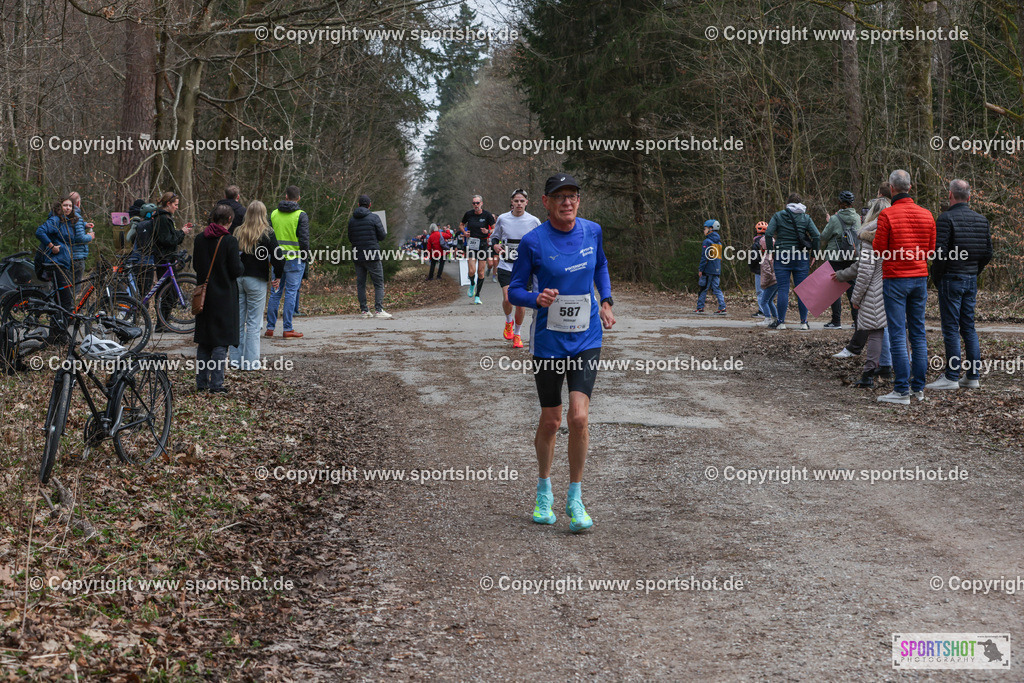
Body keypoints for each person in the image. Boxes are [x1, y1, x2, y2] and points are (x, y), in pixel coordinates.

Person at [508, 173, 615, 533]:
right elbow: (515, 289)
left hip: (587, 337)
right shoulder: (533, 242)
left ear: (579, 201)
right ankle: (543, 491)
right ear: (546, 202)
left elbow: (601, 265)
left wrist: (606, 300)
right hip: (549, 341)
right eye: (560, 197)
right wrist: (535, 298)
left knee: (579, 418)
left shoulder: (593, 231)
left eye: (573, 196)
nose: (567, 202)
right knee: (552, 419)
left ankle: (575, 498)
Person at [874, 169, 935, 404]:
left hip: (895, 278)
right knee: (918, 332)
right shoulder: (927, 215)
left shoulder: (887, 215)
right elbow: (930, 250)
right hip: (919, 277)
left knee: (898, 333)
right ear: (910, 187)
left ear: (892, 189)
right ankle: (918, 388)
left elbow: (879, 250)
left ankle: (901, 390)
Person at [926, 179, 993, 390]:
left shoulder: (945, 218)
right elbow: (987, 253)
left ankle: (951, 376)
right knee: (968, 327)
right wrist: (974, 270)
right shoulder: (982, 220)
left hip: (951, 278)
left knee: (951, 328)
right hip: (970, 277)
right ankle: (972, 375)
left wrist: (936, 277)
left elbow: (940, 253)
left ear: (950, 195)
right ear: (969, 197)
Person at [832, 191, 893, 381]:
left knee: (875, 332)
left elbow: (865, 270)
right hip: (896, 287)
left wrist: (856, 298)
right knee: (897, 331)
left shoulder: (869, 236)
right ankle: (895, 369)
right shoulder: (896, 231)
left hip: (875, 291)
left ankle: (868, 374)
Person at [193, 204, 244, 392]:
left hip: (204, 296)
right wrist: (241, 263)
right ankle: (216, 384)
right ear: (229, 220)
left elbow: (196, 266)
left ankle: (201, 383)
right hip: (224, 297)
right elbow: (236, 270)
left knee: (204, 340)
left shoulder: (200, 239)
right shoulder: (230, 241)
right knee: (220, 342)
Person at [229, 200, 283, 371]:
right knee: (253, 323)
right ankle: (251, 362)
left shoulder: (238, 231)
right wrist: (278, 275)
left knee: (238, 321)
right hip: (257, 279)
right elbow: (278, 256)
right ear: (263, 214)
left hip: (238, 278)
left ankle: (235, 360)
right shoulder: (267, 233)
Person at [493, 189, 541, 348]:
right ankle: (509, 322)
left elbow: (541, 241)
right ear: (511, 202)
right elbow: (495, 237)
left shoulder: (534, 221)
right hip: (506, 265)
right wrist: (495, 246)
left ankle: (518, 334)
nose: (519, 204)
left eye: (522, 201)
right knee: (508, 298)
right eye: (516, 201)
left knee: (520, 303)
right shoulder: (503, 218)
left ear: (526, 202)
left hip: (525, 268)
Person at [765, 193, 820, 330]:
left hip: (782, 256)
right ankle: (803, 323)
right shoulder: (805, 217)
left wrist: (770, 252)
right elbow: (816, 235)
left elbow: (768, 233)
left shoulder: (778, 216)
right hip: (801, 257)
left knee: (783, 289)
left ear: (788, 203)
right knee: (802, 290)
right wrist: (814, 254)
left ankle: (781, 322)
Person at [265, 185, 310, 336]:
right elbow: (304, 240)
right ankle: (287, 329)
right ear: (299, 198)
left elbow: (268, 237)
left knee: (275, 292)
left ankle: (270, 328)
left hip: (277, 259)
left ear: (285, 197)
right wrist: (305, 257)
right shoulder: (301, 215)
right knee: (291, 293)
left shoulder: (274, 214)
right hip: (295, 259)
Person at [35, 197, 84, 334]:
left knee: (60, 303)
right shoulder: (55, 220)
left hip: (63, 264)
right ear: (59, 207)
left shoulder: (66, 221)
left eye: (70, 206)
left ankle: (56, 336)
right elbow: (40, 231)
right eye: (65, 205)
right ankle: (59, 336)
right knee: (66, 302)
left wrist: (85, 226)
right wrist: (52, 246)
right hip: (56, 264)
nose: (68, 208)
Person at [152, 192, 195, 331]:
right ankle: (162, 323)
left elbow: (170, 237)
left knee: (168, 291)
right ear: (168, 204)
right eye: (175, 205)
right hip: (165, 259)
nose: (177, 207)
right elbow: (167, 240)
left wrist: (181, 231)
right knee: (167, 291)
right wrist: (182, 233)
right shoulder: (163, 219)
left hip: (166, 258)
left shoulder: (164, 218)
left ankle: (164, 321)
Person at [819, 190, 861, 329]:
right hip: (852, 256)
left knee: (834, 288)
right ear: (852, 203)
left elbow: (824, 236)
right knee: (852, 288)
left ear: (840, 202)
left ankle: (836, 321)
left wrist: (829, 222)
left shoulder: (834, 218)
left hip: (835, 257)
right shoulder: (857, 218)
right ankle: (856, 320)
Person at [347, 194, 391, 319]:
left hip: (358, 255)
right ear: (370, 205)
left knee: (361, 284)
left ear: (358, 205)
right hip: (372, 254)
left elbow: (350, 238)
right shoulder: (374, 218)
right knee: (378, 283)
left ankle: (364, 311)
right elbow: (382, 236)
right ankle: (379, 310)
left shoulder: (352, 220)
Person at [460, 195, 496, 304]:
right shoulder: (468, 214)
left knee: (480, 272)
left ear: (481, 203)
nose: (476, 205)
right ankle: (472, 284)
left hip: (483, 244)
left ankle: (477, 296)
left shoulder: (487, 215)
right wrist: (464, 232)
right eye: (474, 203)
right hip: (472, 244)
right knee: (471, 271)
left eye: (477, 203)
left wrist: (488, 231)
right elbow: (461, 225)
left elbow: (495, 229)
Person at [695, 219, 726, 314]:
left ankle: (700, 307)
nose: (704, 231)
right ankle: (722, 307)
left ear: (710, 229)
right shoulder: (719, 243)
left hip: (707, 270)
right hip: (716, 270)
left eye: (705, 228)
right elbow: (720, 258)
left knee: (703, 288)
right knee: (717, 289)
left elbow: (704, 257)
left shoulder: (707, 241)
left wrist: (701, 269)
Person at [68, 191, 95, 294]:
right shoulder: (76, 217)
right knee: (75, 287)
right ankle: (72, 304)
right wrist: (90, 236)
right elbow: (79, 238)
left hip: (68, 255)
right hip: (77, 256)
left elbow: (72, 229)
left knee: (68, 285)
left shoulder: (66, 214)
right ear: (78, 203)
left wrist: (84, 225)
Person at [756, 231, 778, 326]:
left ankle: (768, 318)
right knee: (769, 301)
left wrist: (764, 284)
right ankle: (776, 318)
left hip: (771, 283)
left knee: (763, 301)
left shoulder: (765, 258)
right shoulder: (774, 255)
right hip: (776, 281)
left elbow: (767, 273)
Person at [749, 221, 768, 318]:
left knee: (760, 291)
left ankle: (762, 311)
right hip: (770, 270)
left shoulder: (756, 244)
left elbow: (754, 258)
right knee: (768, 291)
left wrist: (751, 267)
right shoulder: (771, 242)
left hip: (759, 270)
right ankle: (767, 310)